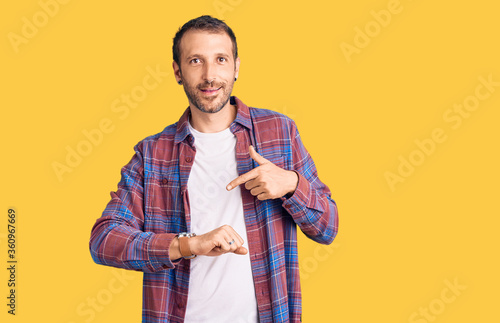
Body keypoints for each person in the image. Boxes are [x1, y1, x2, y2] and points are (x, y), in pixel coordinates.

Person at [89, 15, 338, 323]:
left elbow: (328, 228)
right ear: (178, 72)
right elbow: (104, 240)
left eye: (220, 59)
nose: (209, 75)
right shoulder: (152, 154)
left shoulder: (279, 132)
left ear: (235, 67)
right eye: (196, 61)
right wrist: (188, 244)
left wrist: (290, 184)